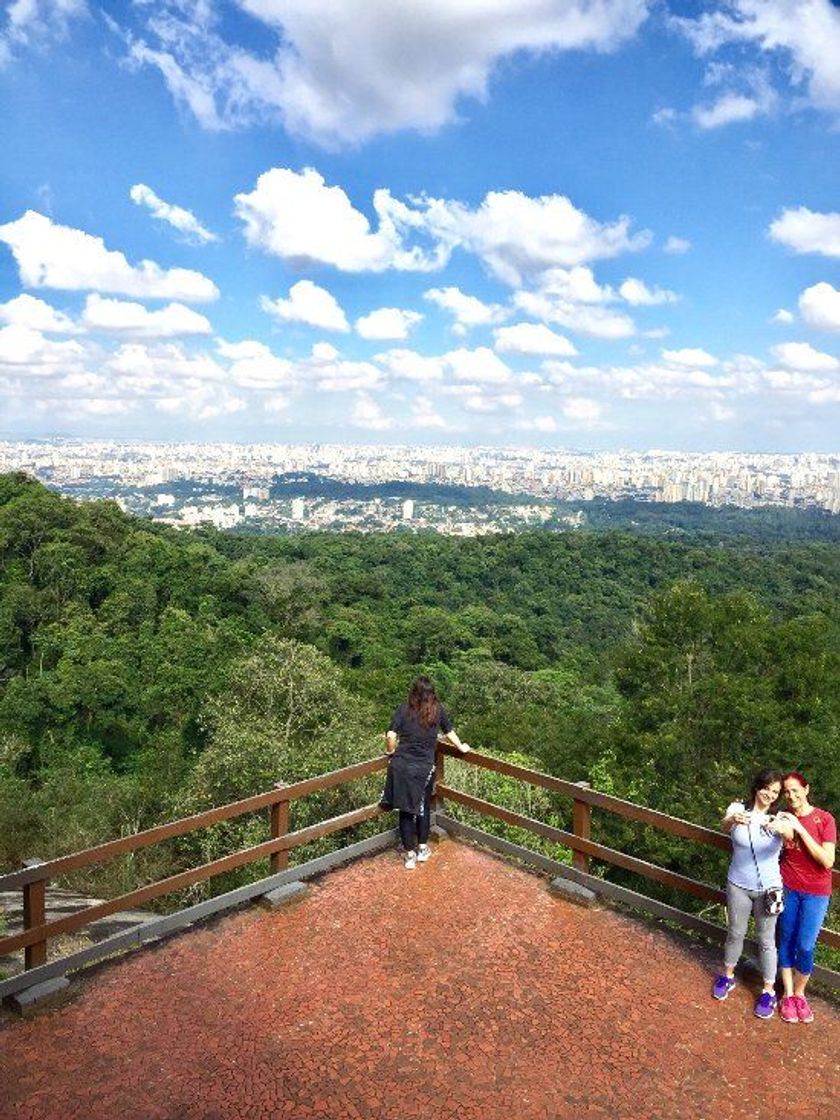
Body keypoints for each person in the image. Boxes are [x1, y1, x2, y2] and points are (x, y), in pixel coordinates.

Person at [712, 769, 788, 1019]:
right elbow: (724, 826)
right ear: (757, 787)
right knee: (735, 932)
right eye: (767, 788)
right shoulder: (738, 808)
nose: (770, 795)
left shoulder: (780, 816)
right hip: (738, 884)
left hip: (769, 889)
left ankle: (768, 991)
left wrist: (779, 827)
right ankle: (727, 976)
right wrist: (733, 819)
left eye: (775, 792)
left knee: (766, 940)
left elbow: (790, 835)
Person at [380, 676, 470, 869]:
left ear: (413, 692)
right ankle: (422, 850)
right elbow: (449, 732)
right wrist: (461, 747)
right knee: (422, 807)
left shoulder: (404, 709)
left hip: (401, 765)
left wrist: (390, 751)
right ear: (432, 693)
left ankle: (410, 856)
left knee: (405, 810)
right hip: (423, 768)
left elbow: (390, 735)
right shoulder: (437, 710)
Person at [775, 771, 836, 1024]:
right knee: (786, 939)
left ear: (806, 789)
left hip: (816, 893)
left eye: (795, 790)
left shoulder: (824, 819)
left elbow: (827, 861)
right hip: (788, 888)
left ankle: (800, 994)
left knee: (806, 945)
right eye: (786, 792)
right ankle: (788, 995)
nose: (791, 796)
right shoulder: (783, 818)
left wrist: (799, 827)